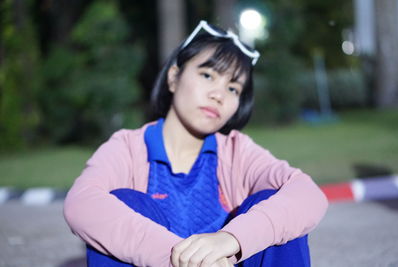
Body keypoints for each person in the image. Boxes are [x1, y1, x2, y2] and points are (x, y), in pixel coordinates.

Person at [63, 20, 328, 267]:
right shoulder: (128, 147)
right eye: (208, 75)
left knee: (275, 202)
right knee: (125, 203)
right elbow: (82, 203)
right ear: (174, 77)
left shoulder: (237, 151)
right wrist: (184, 257)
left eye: (233, 88)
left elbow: (308, 194)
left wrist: (232, 240)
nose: (218, 95)